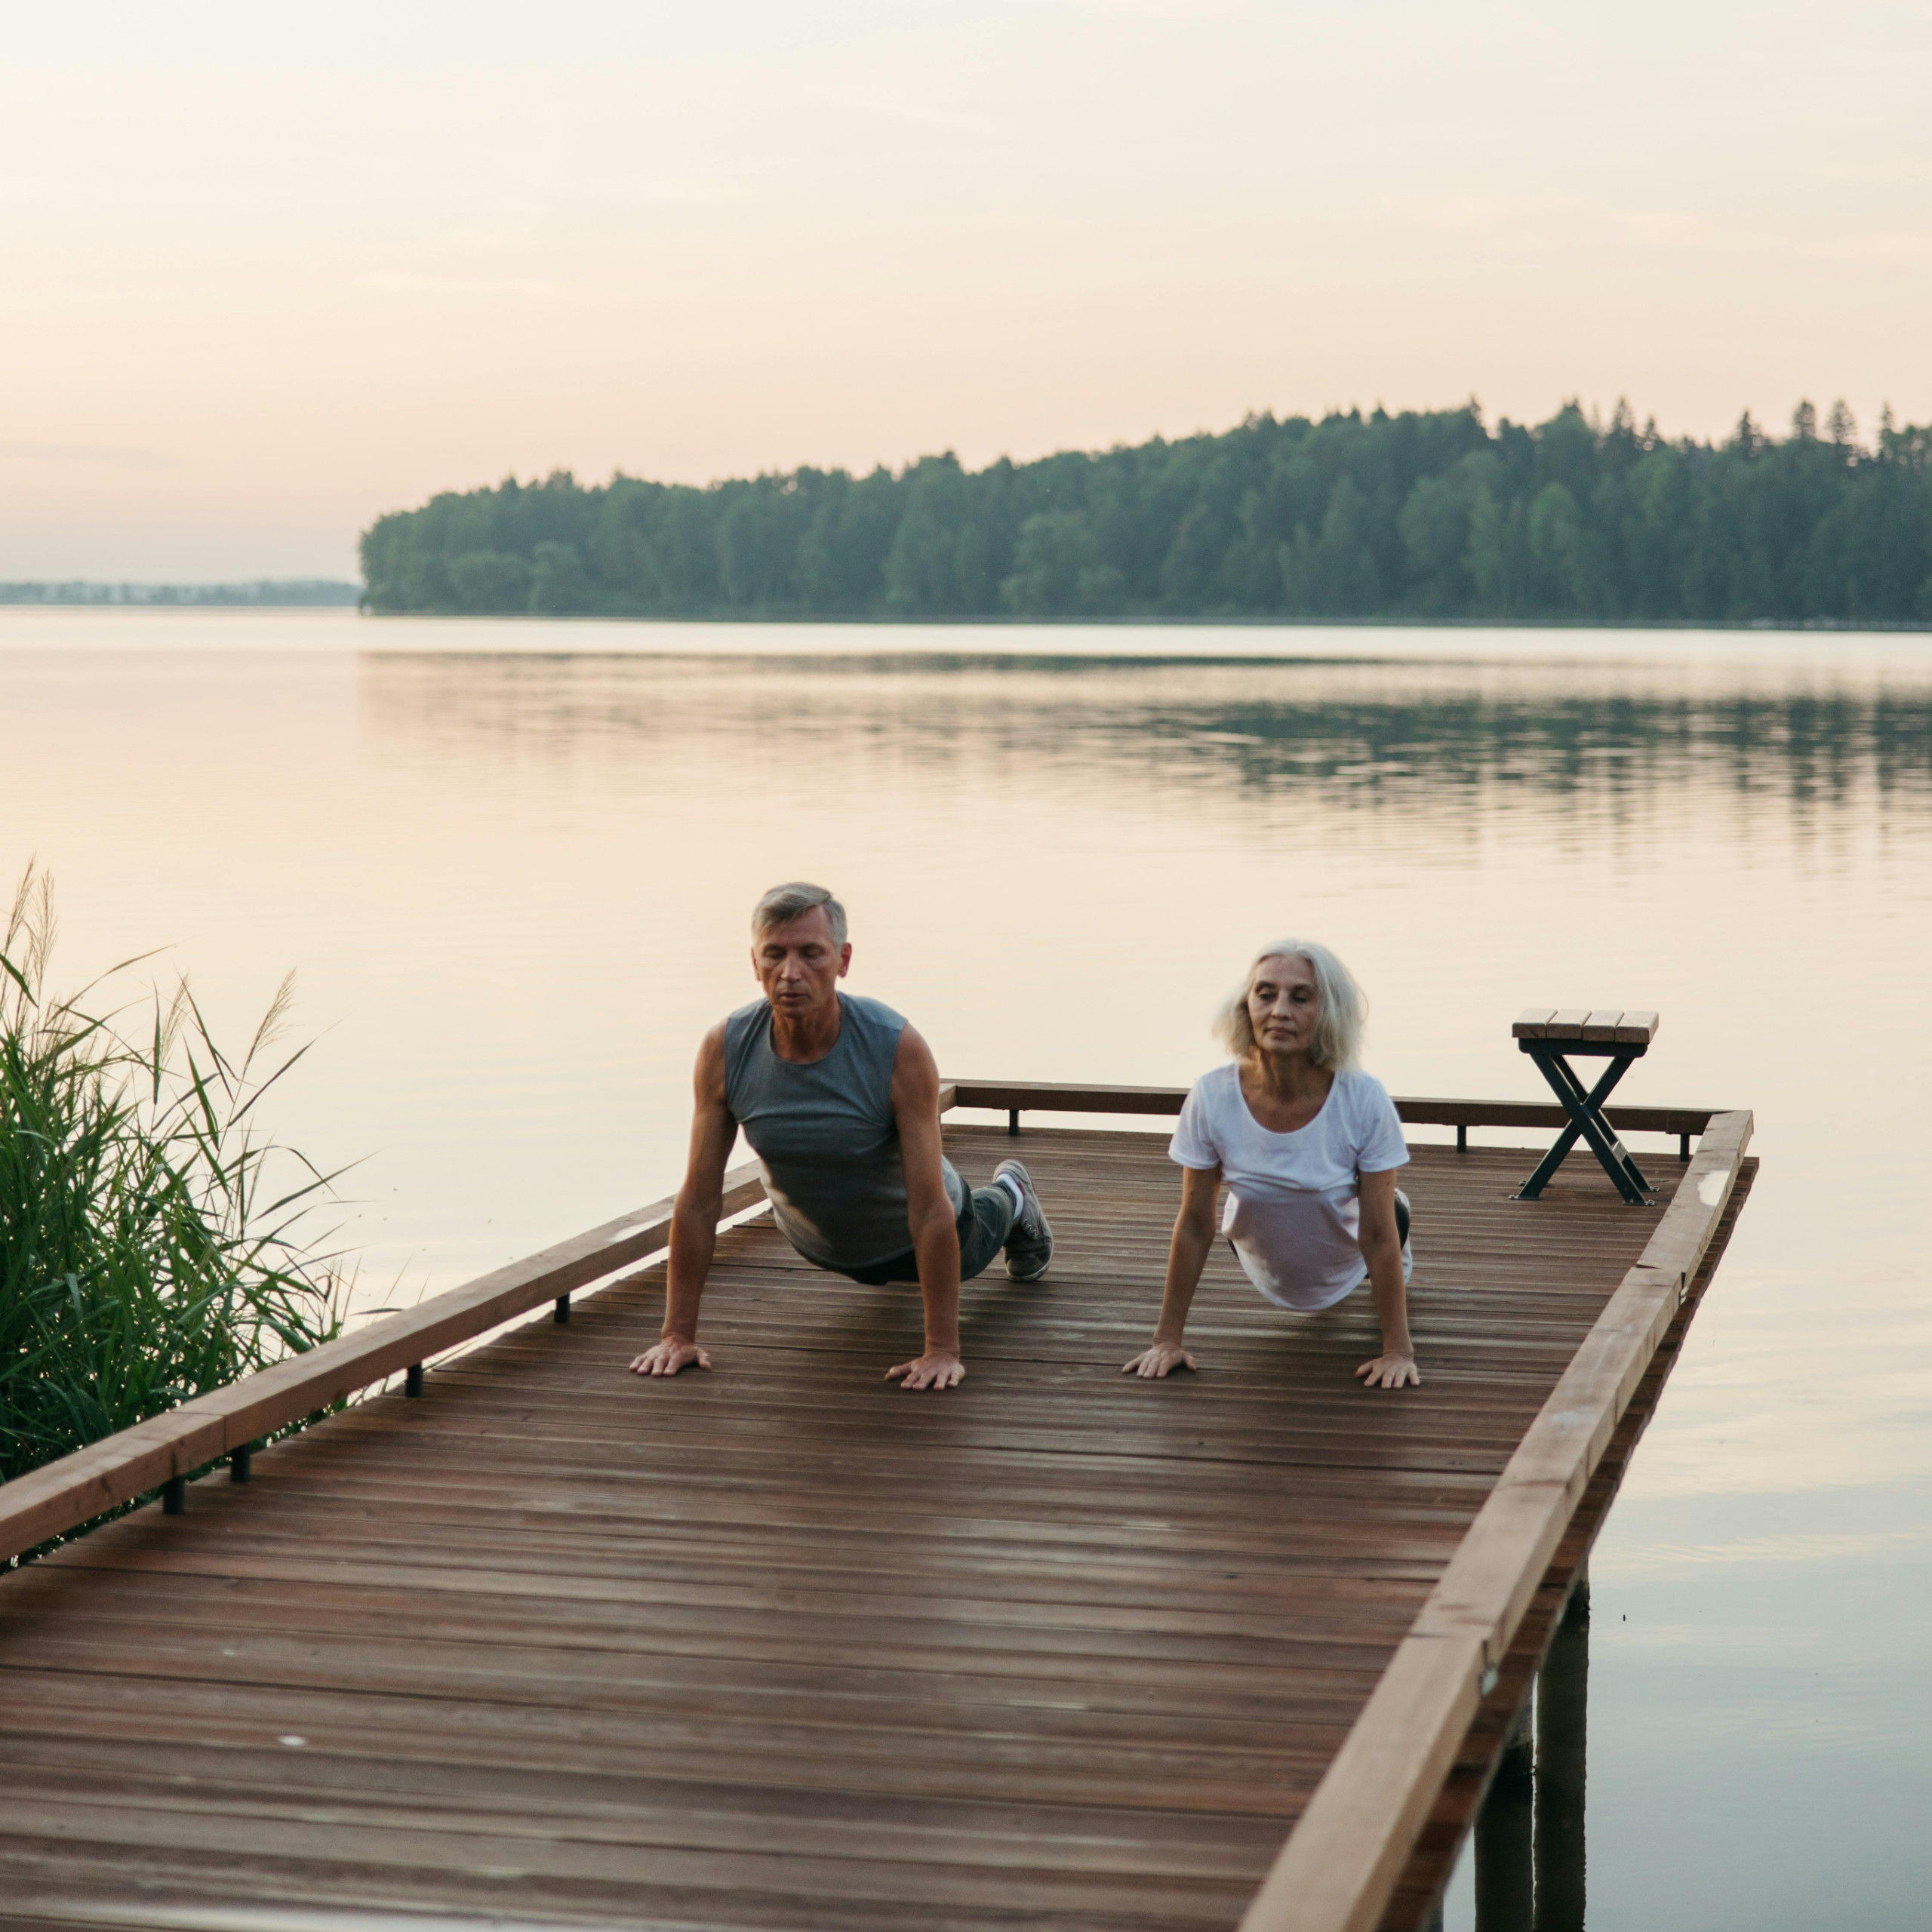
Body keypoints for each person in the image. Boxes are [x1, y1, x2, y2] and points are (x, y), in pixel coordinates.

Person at [629, 882, 1052, 1392]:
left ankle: (1013, 1196)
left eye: (811, 954)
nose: (791, 973)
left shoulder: (895, 1046)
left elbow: (930, 1209)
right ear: (754, 961)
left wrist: (942, 1350)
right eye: (775, 955)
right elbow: (698, 1201)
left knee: (970, 1231)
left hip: (927, 1231)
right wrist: (677, 1335)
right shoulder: (726, 1048)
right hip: (820, 1242)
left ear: (843, 959)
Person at [1122, 940, 1419, 1390]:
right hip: (1256, 1251)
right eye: (1265, 994)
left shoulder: (1363, 1098)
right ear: (1246, 1006)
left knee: (1386, 1217)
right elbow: (1195, 1222)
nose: (1280, 1010)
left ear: (1327, 1012)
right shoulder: (1212, 1095)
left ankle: (1400, 1212)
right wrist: (1167, 1340)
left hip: (1354, 1253)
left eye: (1300, 998)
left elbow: (1377, 1235)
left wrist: (1397, 1351)